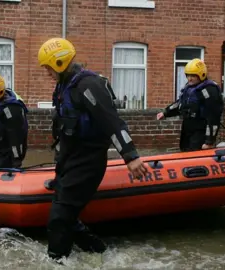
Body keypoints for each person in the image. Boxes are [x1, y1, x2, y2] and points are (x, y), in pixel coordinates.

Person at [37, 37, 148, 262]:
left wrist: (131, 156)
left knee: (58, 219)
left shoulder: (89, 85)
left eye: (48, 67)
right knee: (68, 217)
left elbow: (112, 122)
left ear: (59, 63)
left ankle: (56, 261)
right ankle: (101, 254)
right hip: (69, 161)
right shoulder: (64, 86)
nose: (47, 72)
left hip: (87, 163)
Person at [156, 58, 224, 152]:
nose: (189, 78)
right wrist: (166, 112)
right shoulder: (189, 88)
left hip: (200, 129)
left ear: (201, 75)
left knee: (194, 154)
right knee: (184, 150)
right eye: (188, 75)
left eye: (193, 76)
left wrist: (209, 141)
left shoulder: (209, 90)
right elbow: (180, 104)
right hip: (187, 127)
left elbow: (213, 117)